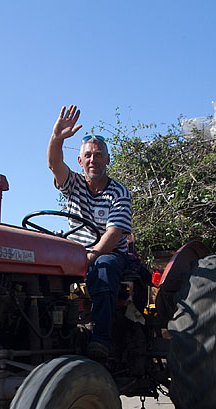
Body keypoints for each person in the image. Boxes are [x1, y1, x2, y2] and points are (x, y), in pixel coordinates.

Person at [48, 105, 132, 361]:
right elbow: (54, 163)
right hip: (74, 253)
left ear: (107, 160)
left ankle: (101, 340)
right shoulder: (72, 183)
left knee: (104, 267)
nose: (93, 159)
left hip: (107, 254)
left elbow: (115, 234)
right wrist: (57, 138)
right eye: (88, 155)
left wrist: (89, 257)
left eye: (98, 155)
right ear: (80, 160)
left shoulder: (118, 193)